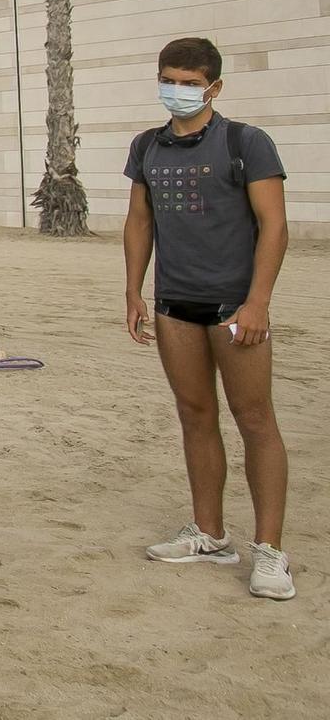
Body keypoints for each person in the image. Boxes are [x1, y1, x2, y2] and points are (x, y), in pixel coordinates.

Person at [123, 36, 292, 600]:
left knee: (254, 419)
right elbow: (139, 223)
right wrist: (134, 291)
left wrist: (258, 301)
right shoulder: (147, 145)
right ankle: (210, 533)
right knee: (195, 415)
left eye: (190, 83)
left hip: (234, 307)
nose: (178, 91)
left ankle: (269, 551)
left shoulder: (246, 142)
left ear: (214, 87)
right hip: (175, 304)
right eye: (169, 79)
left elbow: (274, 225)